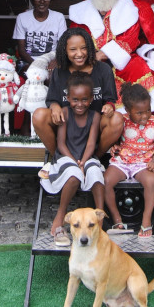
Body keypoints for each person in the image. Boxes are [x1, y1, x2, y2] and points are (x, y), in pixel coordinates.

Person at [69, 0, 154, 114]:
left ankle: (132, 114)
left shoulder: (127, 10)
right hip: (86, 59)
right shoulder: (80, 12)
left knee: (138, 67)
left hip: (122, 60)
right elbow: (73, 39)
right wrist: (86, 57)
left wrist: (101, 55)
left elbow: (129, 40)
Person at [32, 28, 124, 165]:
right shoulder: (59, 71)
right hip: (66, 128)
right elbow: (52, 100)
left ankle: (93, 159)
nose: (79, 54)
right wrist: (55, 107)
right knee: (39, 115)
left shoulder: (103, 69)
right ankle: (59, 159)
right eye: (73, 49)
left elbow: (110, 100)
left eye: (83, 48)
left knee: (117, 118)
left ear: (90, 48)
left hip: (94, 126)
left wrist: (109, 107)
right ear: (65, 51)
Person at [40, 72, 103, 246]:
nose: (79, 104)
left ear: (91, 99)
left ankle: (100, 218)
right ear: (68, 98)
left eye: (84, 100)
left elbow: (91, 143)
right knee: (74, 175)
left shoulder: (95, 116)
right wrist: (76, 163)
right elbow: (60, 144)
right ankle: (61, 215)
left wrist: (83, 161)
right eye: (75, 99)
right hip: (66, 156)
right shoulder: (65, 113)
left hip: (86, 156)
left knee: (96, 173)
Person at [104, 83, 154, 238]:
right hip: (124, 160)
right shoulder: (122, 120)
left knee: (151, 181)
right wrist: (115, 146)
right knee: (106, 180)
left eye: (148, 110)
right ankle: (117, 220)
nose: (145, 116)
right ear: (128, 110)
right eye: (139, 113)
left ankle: (146, 219)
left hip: (144, 162)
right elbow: (116, 139)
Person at [12, 0, 66, 72]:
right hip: (29, 61)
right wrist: (37, 65)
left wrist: (55, 61)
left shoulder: (59, 17)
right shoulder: (22, 18)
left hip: (51, 61)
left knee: (52, 75)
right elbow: (21, 49)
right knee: (32, 74)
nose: (42, 1)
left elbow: (63, 46)